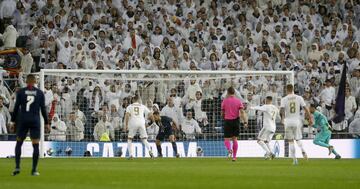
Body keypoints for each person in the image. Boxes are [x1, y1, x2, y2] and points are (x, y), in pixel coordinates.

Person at [10, 74, 49, 176]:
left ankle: (17, 167)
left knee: (19, 143)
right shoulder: (40, 93)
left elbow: (16, 107)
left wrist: (12, 121)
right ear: (35, 81)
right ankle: (34, 170)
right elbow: (43, 109)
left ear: (26, 81)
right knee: (35, 144)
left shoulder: (21, 92)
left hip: (23, 120)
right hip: (35, 120)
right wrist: (47, 122)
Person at [280, 84, 312, 165]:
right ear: (293, 89)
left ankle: (294, 160)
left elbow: (282, 110)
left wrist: (282, 118)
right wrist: (310, 118)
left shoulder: (284, 99)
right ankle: (302, 150)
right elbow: (306, 108)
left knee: (291, 142)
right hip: (297, 121)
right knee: (297, 139)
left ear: (287, 90)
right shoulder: (299, 97)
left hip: (288, 121)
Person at [221, 86, 248, 161]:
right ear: (234, 93)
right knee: (234, 139)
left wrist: (224, 116)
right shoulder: (238, 101)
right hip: (236, 121)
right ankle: (234, 157)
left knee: (226, 139)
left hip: (227, 121)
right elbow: (242, 112)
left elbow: (222, 113)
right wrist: (245, 122)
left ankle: (229, 149)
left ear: (228, 92)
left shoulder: (225, 101)